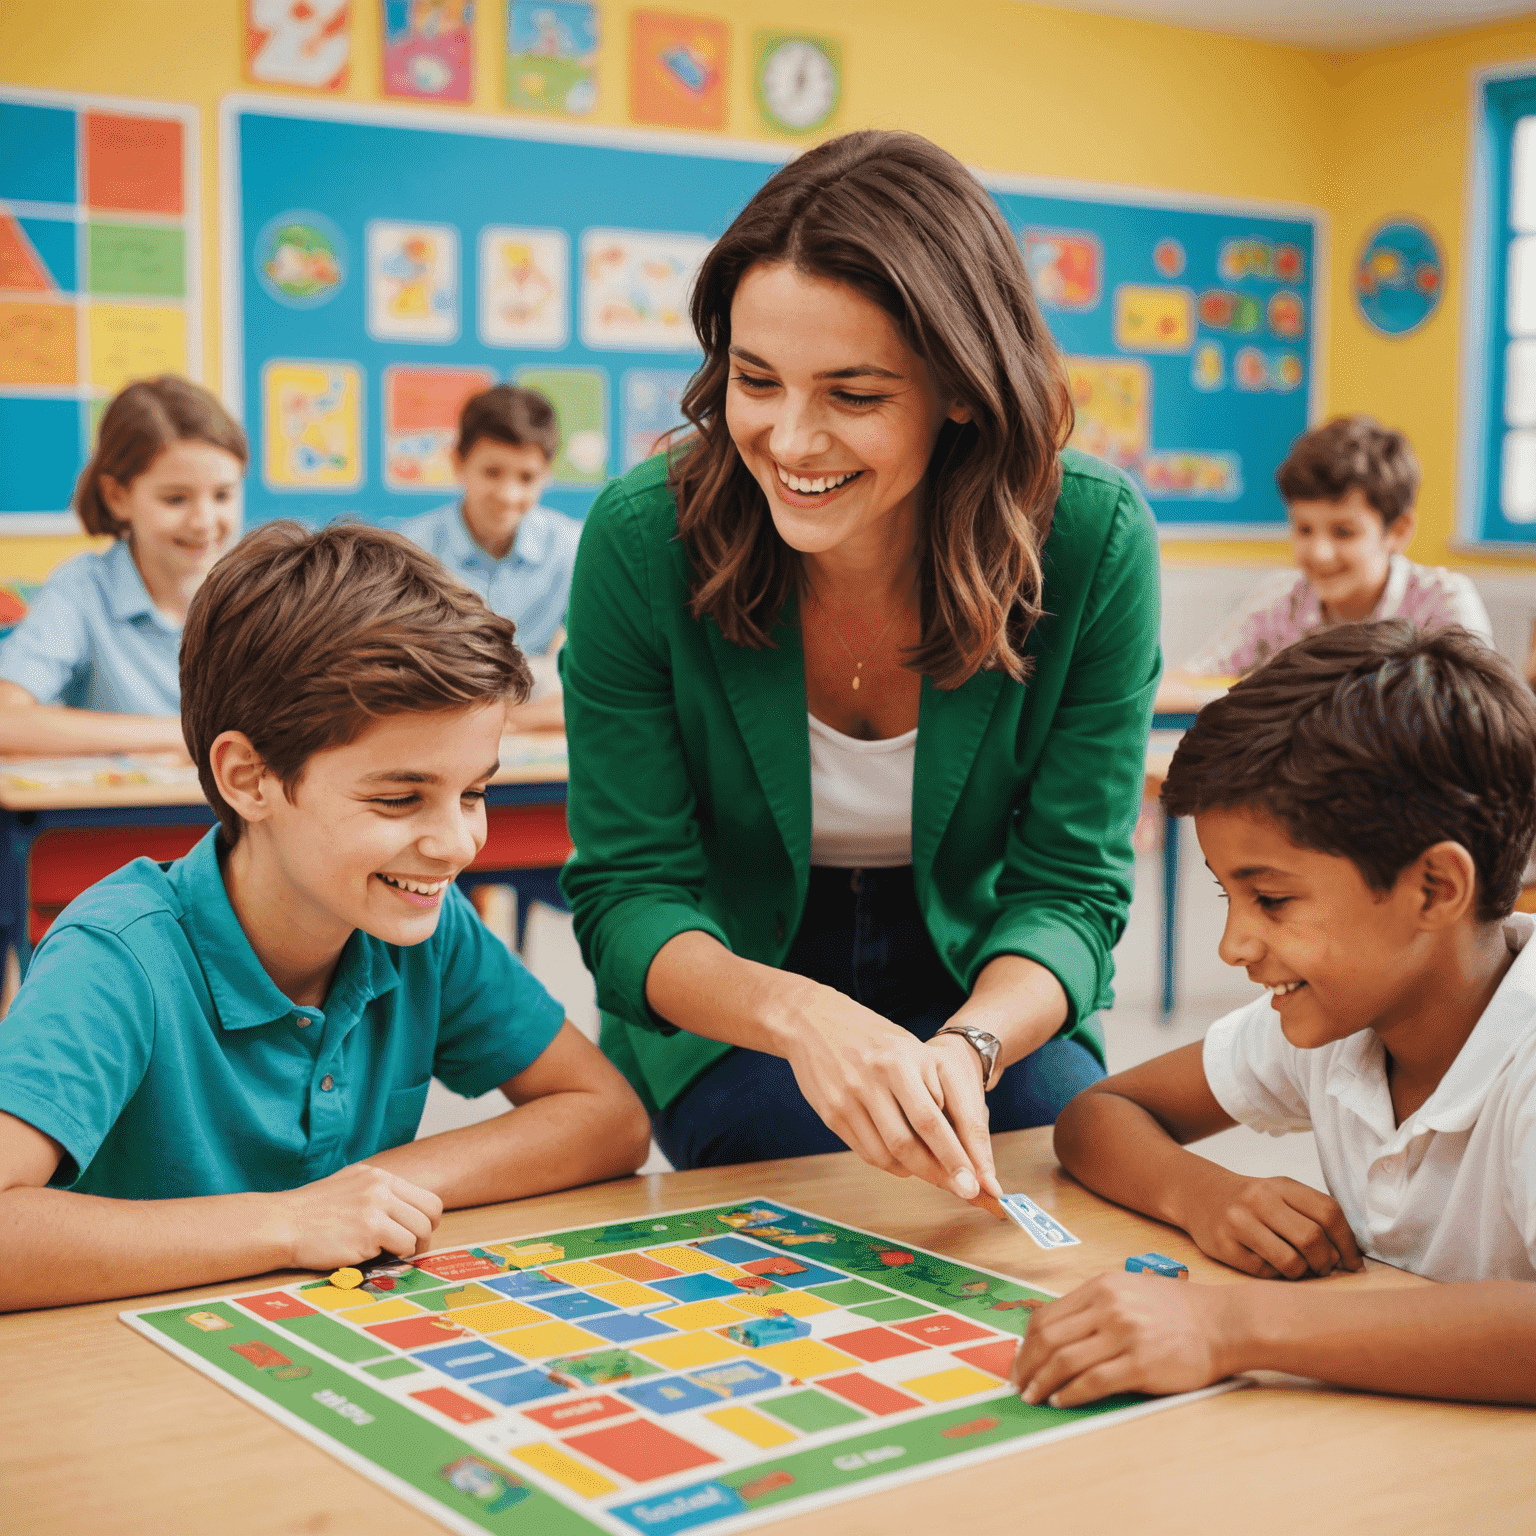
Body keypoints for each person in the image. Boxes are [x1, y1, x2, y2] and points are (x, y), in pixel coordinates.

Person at [560, 130, 1161, 1206]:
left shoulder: (1092, 537)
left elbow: (1071, 889)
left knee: (1063, 1151)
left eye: (854, 394)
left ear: (963, 389)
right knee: (805, 1170)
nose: (791, 439)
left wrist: (970, 1046)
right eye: (756, 380)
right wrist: (804, 1019)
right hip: (734, 984)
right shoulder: (641, 538)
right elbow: (631, 894)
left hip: (981, 979)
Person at [0, 523, 649, 1311]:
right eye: (398, 798)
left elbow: (607, 1119)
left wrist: (370, 1189)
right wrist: (287, 1224)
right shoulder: (119, 958)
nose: (456, 844)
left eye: (474, 792)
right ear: (250, 779)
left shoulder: (421, 927)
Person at [1014, 622, 1536, 1409]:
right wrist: (1205, 1196)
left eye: (1274, 899)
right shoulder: (1341, 1019)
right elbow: (1098, 1115)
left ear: (1433, 889)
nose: (1232, 945)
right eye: (1229, 896)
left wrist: (1228, 1325)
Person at [0, 375, 247, 756]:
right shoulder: (82, 590)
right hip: (119, 815)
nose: (204, 521)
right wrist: (186, 735)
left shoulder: (260, 590)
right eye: (176, 499)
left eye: (222, 495)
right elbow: (6, 721)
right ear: (118, 497)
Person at [1182, 416, 1491, 678]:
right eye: (1304, 529)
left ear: (1398, 530)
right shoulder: (1279, 600)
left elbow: (1477, 718)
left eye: (1343, 532)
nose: (1319, 552)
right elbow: (1197, 681)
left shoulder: (1442, 604)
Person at [399, 384, 579, 731]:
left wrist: (510, 718)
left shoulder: (572, 549)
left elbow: (597, 681)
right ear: (458, 463)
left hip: (529, 738)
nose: (508, 495)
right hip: (432, 732)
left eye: (526, 478)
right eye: (492, 472)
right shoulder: (409, 552)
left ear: (548, 475)